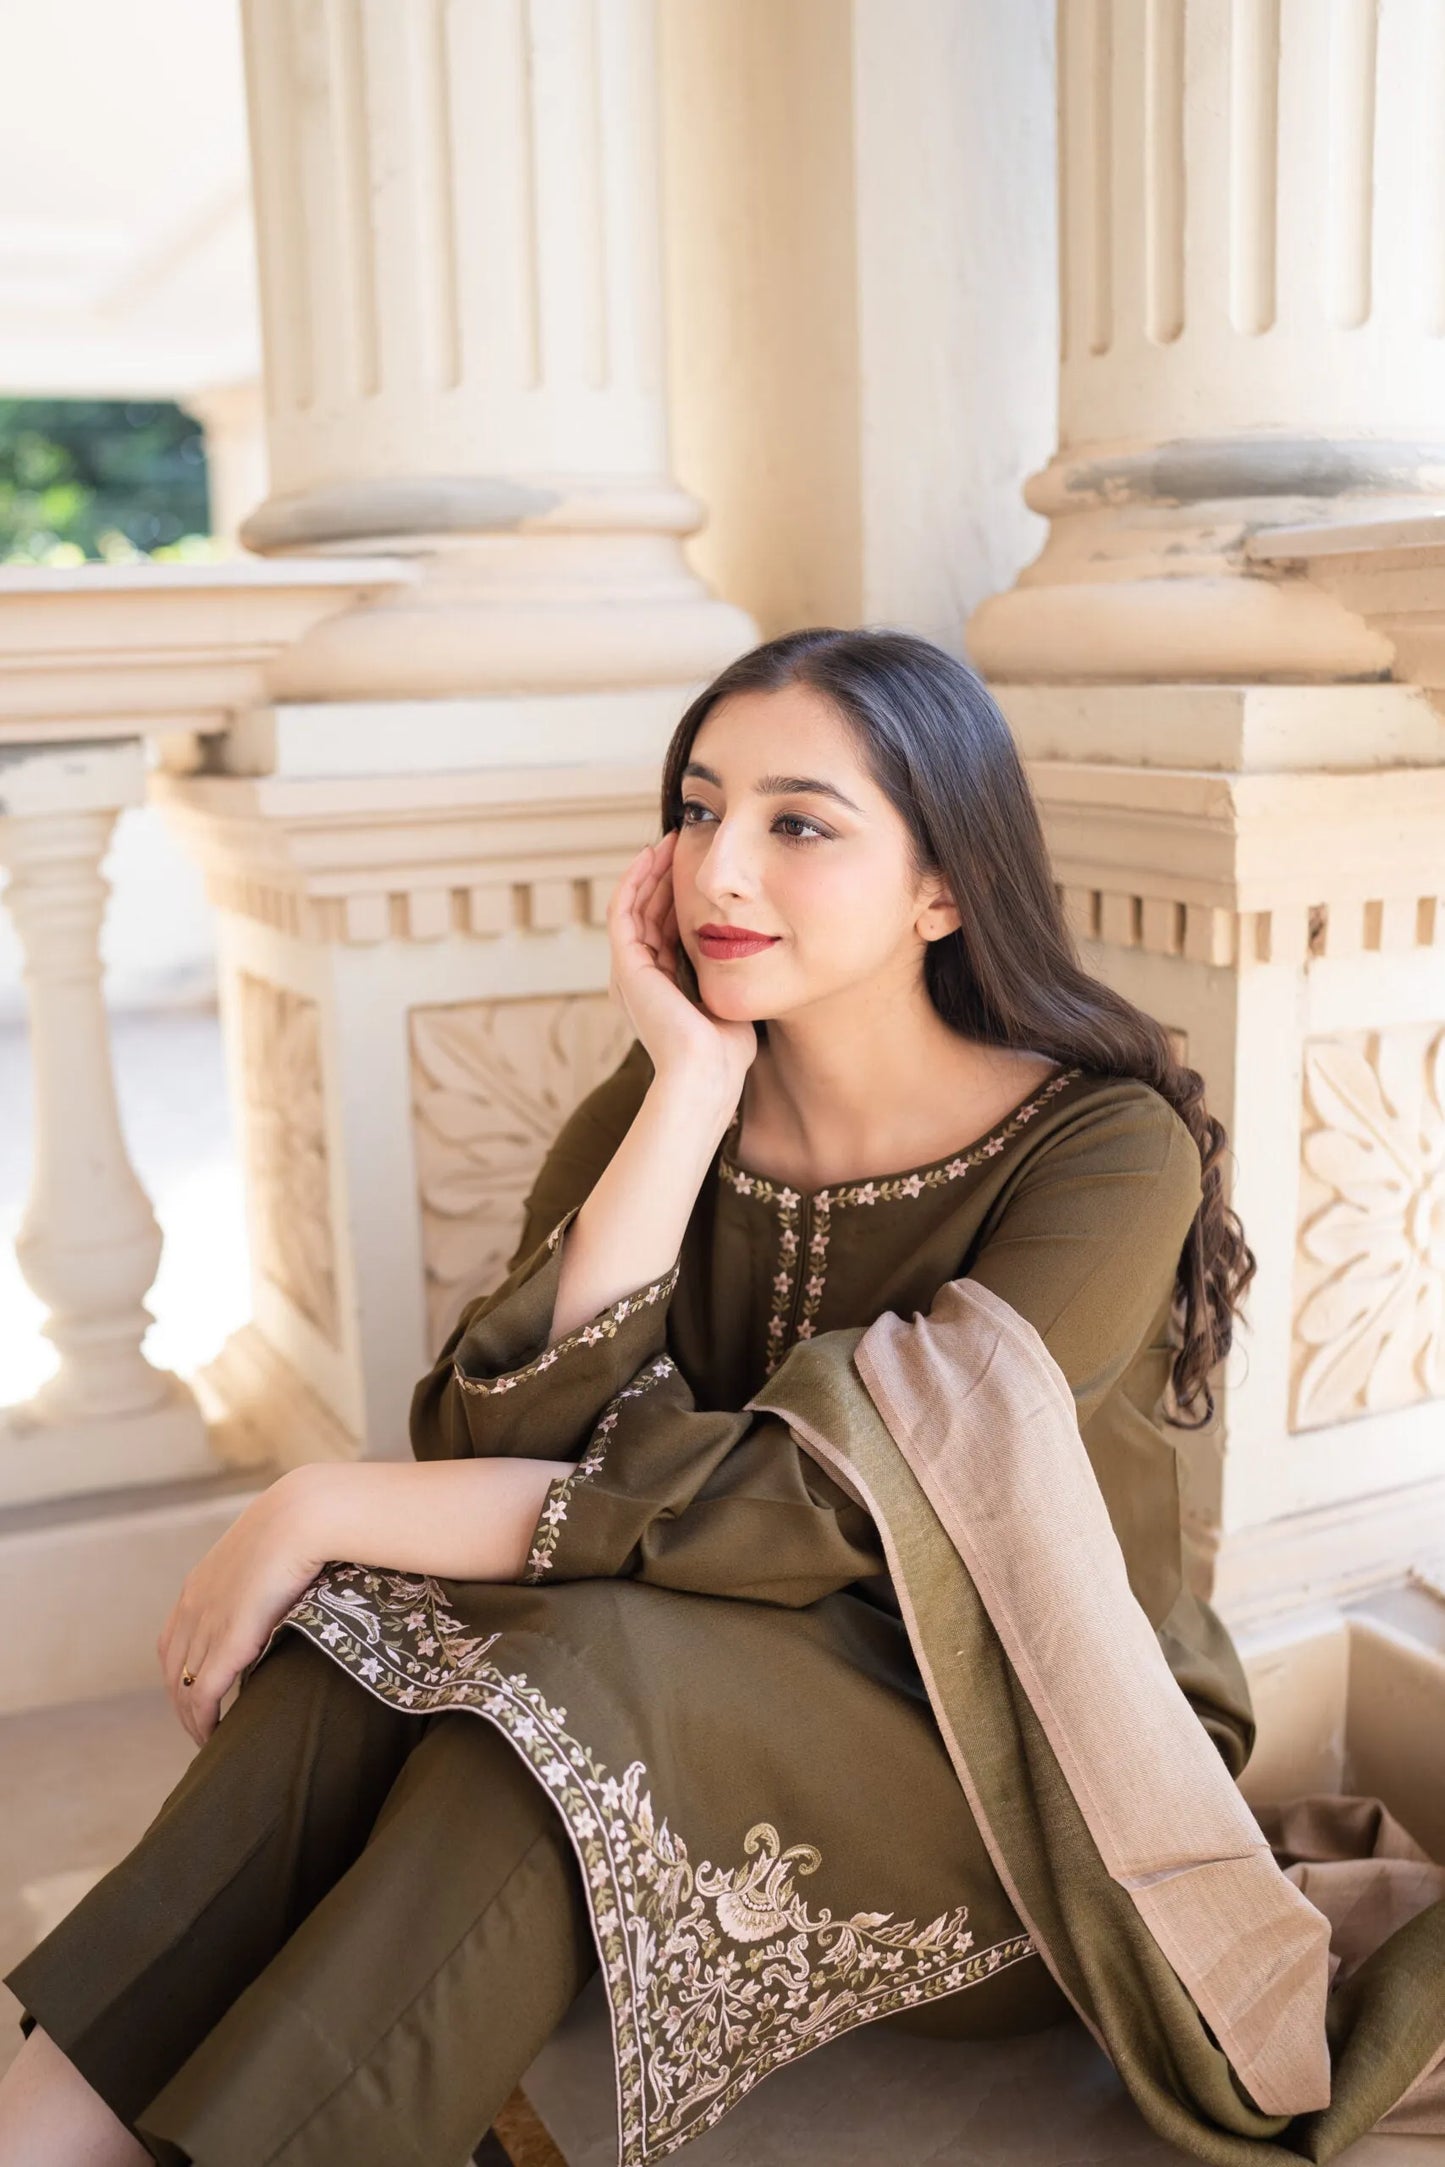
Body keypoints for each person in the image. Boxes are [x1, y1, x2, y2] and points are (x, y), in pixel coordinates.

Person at [0, 626, 1264, 2166]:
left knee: (552, 1696)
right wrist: (686, 1089)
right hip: (699, 1661)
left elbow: (842, 1503)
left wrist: (319, 1497)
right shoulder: (675, 1092)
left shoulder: (1107, 1151)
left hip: (1017, 1766)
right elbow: (497, 1438)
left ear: (943, 887)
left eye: (798, 823)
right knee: (367, 1646)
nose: (717, 870)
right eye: (694, 807)